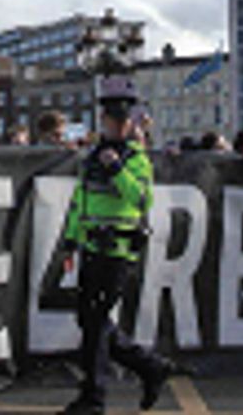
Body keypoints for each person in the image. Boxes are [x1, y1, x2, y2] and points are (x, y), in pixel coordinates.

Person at [60, 75, 174, 414]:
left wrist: (118, 170)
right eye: (112, 119)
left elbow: (142, 199)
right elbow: (79, 202)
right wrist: (70, 241)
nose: (117, 125)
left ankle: (93, 398)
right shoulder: (93, 156)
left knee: (95, 323)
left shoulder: (136, 158)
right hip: (91, 248)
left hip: (118, 252)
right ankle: (150, 366)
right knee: (90, 321)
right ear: (104, 120)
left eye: (123, 119)